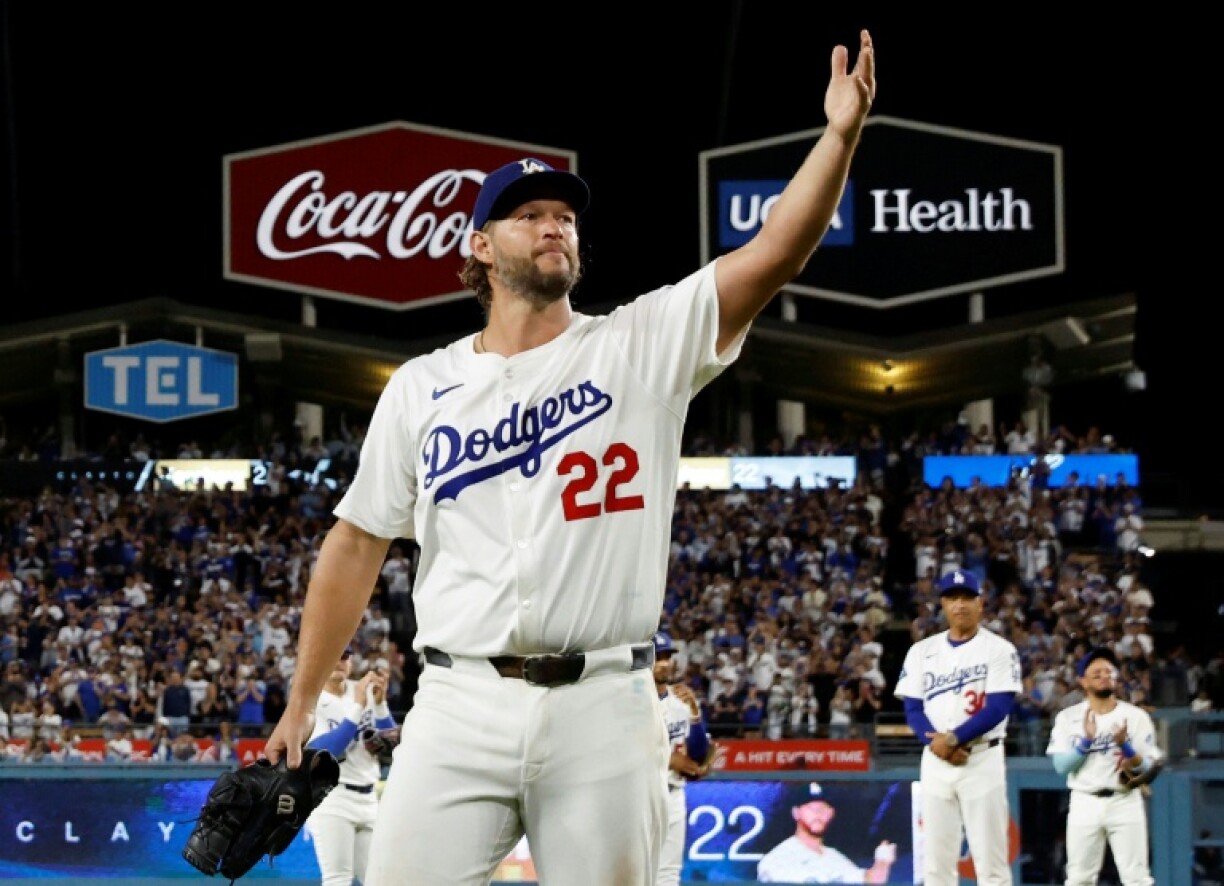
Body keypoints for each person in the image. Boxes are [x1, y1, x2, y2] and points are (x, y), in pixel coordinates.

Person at [264, 29, 876, 885]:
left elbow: (774, 251)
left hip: (603, 702)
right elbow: (357, 543)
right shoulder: (420, 385)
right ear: (480, 246)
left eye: (565, 216)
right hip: (455, 701)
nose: (555, 225)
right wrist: (300, 700)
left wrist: (838, 138)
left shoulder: (640, 345)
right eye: (530, 215)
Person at [894, 568, 1021, 886]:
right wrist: (936, 743)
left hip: (981, 757)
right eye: (952, 598)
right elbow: (912, 708)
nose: (960, 605)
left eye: (967, 598)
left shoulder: (999, 649)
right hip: (936, 759)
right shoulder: (922, 651)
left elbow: (998, 707)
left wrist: (952, 738)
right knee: (936, 865)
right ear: (943, 604)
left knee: (991, 866)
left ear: (980, 603)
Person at [1046, 646, 1163, 886]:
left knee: (1137, 878)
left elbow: (1149, 767)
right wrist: (1085, 742)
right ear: (1083, 680)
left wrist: (1127, 747)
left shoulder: (1135, 716)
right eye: (1096, 673)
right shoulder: (1068, 717)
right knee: (1079, 878)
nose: (1104, 676)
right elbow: (1060, 766)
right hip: (1084, 800)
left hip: (1124, 800)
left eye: (1108, 672)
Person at [304, 650, 398, 886]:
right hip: (333, 798)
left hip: (369, 798)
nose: (339, 661)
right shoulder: (312, 701)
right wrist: (358, 707)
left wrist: (379, 705)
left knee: (377, 879)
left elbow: (392, 746)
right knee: (338, 879)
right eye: (333, 655)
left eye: (344, 656)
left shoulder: (362, 691)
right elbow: (327, 751)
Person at [654, 630, 714, 886]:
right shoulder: (631, 700)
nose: (665, 663)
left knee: (668, 875)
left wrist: (695, 716)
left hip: (674, 792)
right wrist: (667, 758)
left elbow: (699, 753)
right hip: (640, 792)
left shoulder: (681, 701)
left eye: (668, 656)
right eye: (658, 657)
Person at [756, 782, 896, 883]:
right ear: (796, 812)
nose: (818, 813)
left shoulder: (834, 858)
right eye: (811, 808)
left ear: (831, 813)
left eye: (824, 808)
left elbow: (868, 881)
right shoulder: (777, 860)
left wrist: (882, 862)